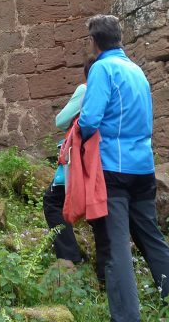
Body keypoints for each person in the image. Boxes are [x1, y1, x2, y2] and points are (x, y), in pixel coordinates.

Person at [78, 14, 169, 322]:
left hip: (113, 168)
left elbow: (89, 119)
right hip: (143, 166)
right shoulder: (137, 70)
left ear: (95, 41)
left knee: (116, 249)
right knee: (152, 239)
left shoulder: (102, 67)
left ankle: (126, 317)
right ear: (119, 38)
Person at [43, 57, 109, 283]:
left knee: (52, 202)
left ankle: (69, 257)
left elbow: (61, 121)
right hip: (109, 161)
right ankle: (105, 277)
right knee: (100, 217)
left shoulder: (86, 89)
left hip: (82, 161)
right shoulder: (119, 88)